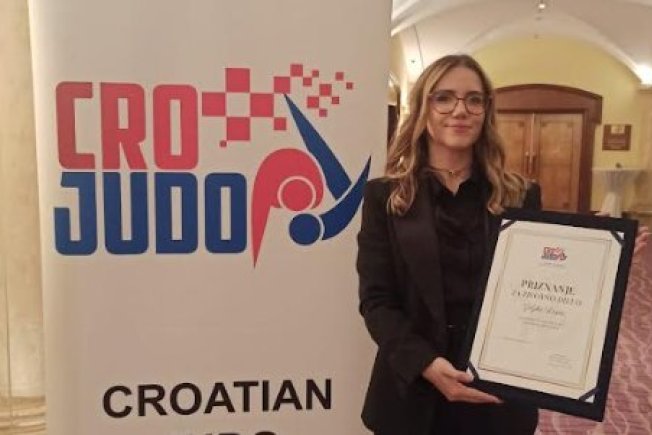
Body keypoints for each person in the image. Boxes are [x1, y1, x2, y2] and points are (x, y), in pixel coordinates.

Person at [356, 53, 650, 435]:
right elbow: (377, 301)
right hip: (412, 393)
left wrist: (595, 277)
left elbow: (539, 287)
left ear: (486, 111)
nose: (460, 110)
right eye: (443, 98)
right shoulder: (386, 197)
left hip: (500, 395)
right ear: (423, 108)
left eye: (473, 99)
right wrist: (425, 363)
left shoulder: (520, 194)